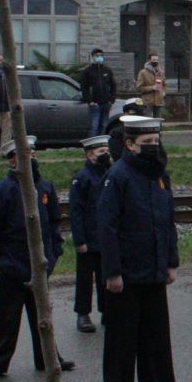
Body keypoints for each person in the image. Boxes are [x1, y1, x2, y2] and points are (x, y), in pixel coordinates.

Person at [96, 115, 186, 382]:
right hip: (126, 271)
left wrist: (171, 262)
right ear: (130, 144)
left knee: (156, 334)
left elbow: (167, 221)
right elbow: (107, 227)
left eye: (156, 141)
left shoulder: (159, 174)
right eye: (147, 143)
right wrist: (112, 271)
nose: (153, 147)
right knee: (122, 336)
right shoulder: (117, 176)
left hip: (154, 267)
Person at [0, 137, 73, 381]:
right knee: (7, 317)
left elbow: (54, 223)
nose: (30, 158)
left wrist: (54, 254)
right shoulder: (1, 191)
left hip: (40, 266)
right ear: (12, 161)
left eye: (32, 154)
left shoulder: (45, 188)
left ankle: (48, 358)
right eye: (23, 155)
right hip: (12, 265)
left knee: (43, 316)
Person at [68, 136, 113, 333]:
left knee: (106, 276)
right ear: (89, 154)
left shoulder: (110, 173)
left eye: (107, 151)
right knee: (85, 278)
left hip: (106, 237)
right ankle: (83, 313)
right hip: (88, 237)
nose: (106, 155)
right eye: (101, 152)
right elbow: (75, 211)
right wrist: (80, 240)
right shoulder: (82, 177)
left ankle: (107, 311)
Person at [79, 49, 118, 138]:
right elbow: (84, 87)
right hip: (95, 104)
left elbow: (113, 85)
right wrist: (90, 101)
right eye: (97, 56)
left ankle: (102, 145)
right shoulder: (87, 71)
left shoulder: (107, 70)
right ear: (92, 57)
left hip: (106, 103)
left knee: (103, 125)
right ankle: (93, 146)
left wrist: (111, 100)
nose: (99, 57)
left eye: (101, 55)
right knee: (94, 126)